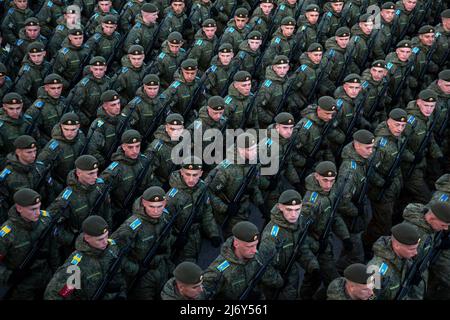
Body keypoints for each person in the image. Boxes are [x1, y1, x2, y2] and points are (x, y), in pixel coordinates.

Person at [112, 186, 175, 299]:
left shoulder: (165, 217)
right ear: (144, 203)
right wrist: (135, 269)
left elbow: (167, 244)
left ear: (165, 203)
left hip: (161, 270)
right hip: (141, 277)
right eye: (151, 206)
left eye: (159, 206)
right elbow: (112, 252)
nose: (156, 211)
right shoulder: (132, 226)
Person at [44, 215, 127, 300]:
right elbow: (54, 295)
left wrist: (121, 294)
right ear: (87, 238)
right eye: (100, 239)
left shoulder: (110, 248)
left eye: (107, 236)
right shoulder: (76, 267)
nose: (105, 242)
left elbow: (119, 274)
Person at [202, 221, 282, 299]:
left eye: (255, 245)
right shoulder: (220, 269)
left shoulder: (256, 257)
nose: (254, 250)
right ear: (236, 244)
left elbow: (273, 279)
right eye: (249, 246)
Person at [0, 188, 53, 299]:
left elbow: (54, 248)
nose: (38, 213)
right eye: (33, 209)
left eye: (39, 207)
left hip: (46, 276)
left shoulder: (45, 220)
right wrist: (8, 276)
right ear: (19, 208)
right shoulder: (7, 233)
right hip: (23, 286)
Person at [367, 222, 421, 300]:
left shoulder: (403, 257)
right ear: (396, 246)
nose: (416, 252)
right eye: (411, 249)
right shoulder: (376, 269)